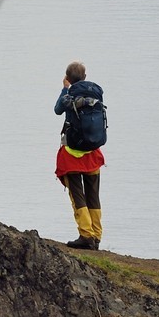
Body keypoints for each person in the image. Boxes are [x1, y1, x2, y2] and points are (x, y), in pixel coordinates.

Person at [55, 61, 106, 250]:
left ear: (67, 78)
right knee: (93, 195)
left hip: (72, 154)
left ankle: (86, 235)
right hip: (93, 152)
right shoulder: (96, 92)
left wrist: (65, 89)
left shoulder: (69, 95)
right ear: (85, 77)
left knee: (78, 195)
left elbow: (57, 110)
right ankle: (97, 235)